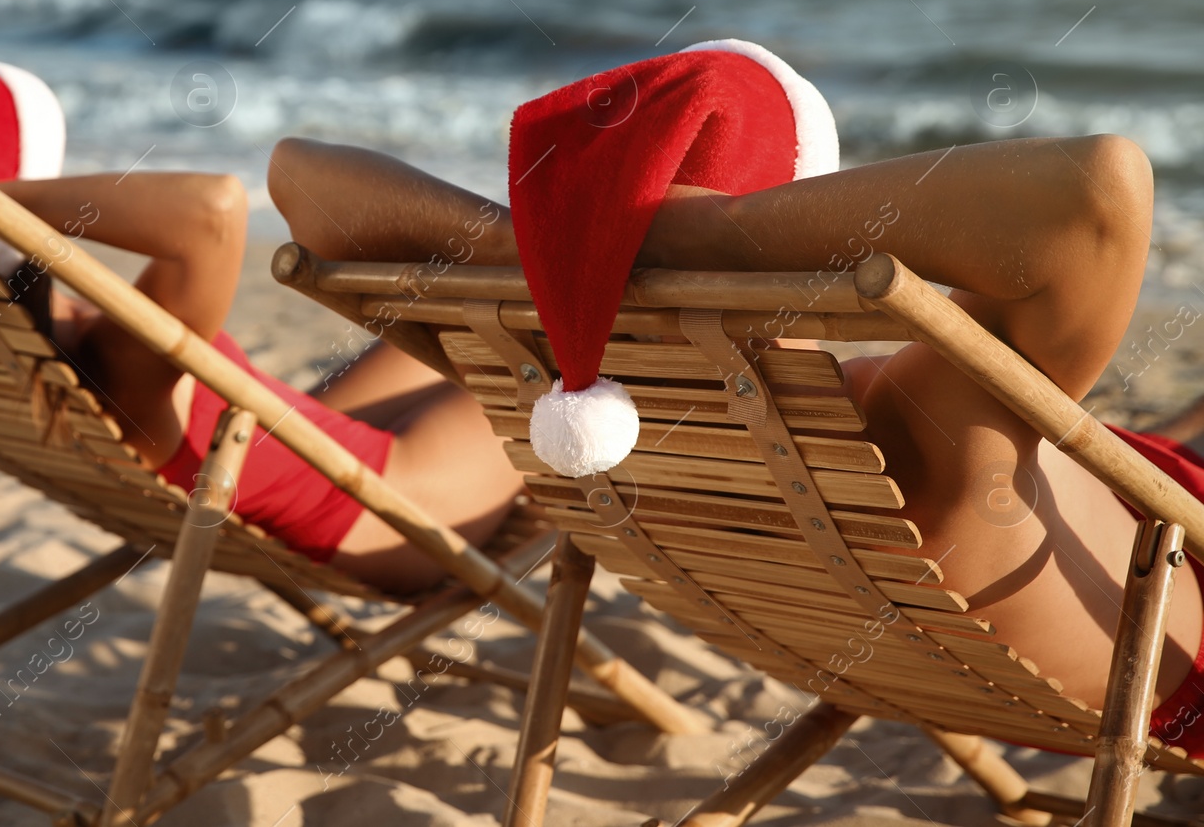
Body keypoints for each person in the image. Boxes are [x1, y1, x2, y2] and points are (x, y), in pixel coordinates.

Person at [265, 129, 1204, 749]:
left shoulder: (611, 393)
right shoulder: (935, 451)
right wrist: (686, 234)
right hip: (1098, 581)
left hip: (827, 575)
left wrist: (574, 251)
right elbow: (1094, 195)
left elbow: (297, 180)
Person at [0, 170, 525, 594]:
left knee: (472, 309)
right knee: (564, 358)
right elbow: (215, 207)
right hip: (398, 514)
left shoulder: (65, 354)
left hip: (328, 447)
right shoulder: (116, 360)